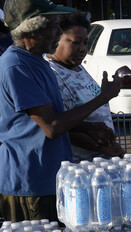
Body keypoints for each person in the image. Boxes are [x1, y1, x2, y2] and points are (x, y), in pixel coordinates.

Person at [0, 0, 121, 222]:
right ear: (33, 29)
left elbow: (51, 116)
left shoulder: (36, 61)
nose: (58, 33)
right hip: (30, 182)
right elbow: (50, 127)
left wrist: (87, 128)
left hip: (50, 177)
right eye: (52, 25)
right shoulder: (15, 65)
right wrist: (103, 97)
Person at [45, 12, 124, 162]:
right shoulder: (52, 73)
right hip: (79, 167)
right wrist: (103, 148)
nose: (82, 49)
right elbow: (62, 127)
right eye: (75, 42)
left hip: (102, 162)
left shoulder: (77, 66)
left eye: (85, 42)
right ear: (56, 40)